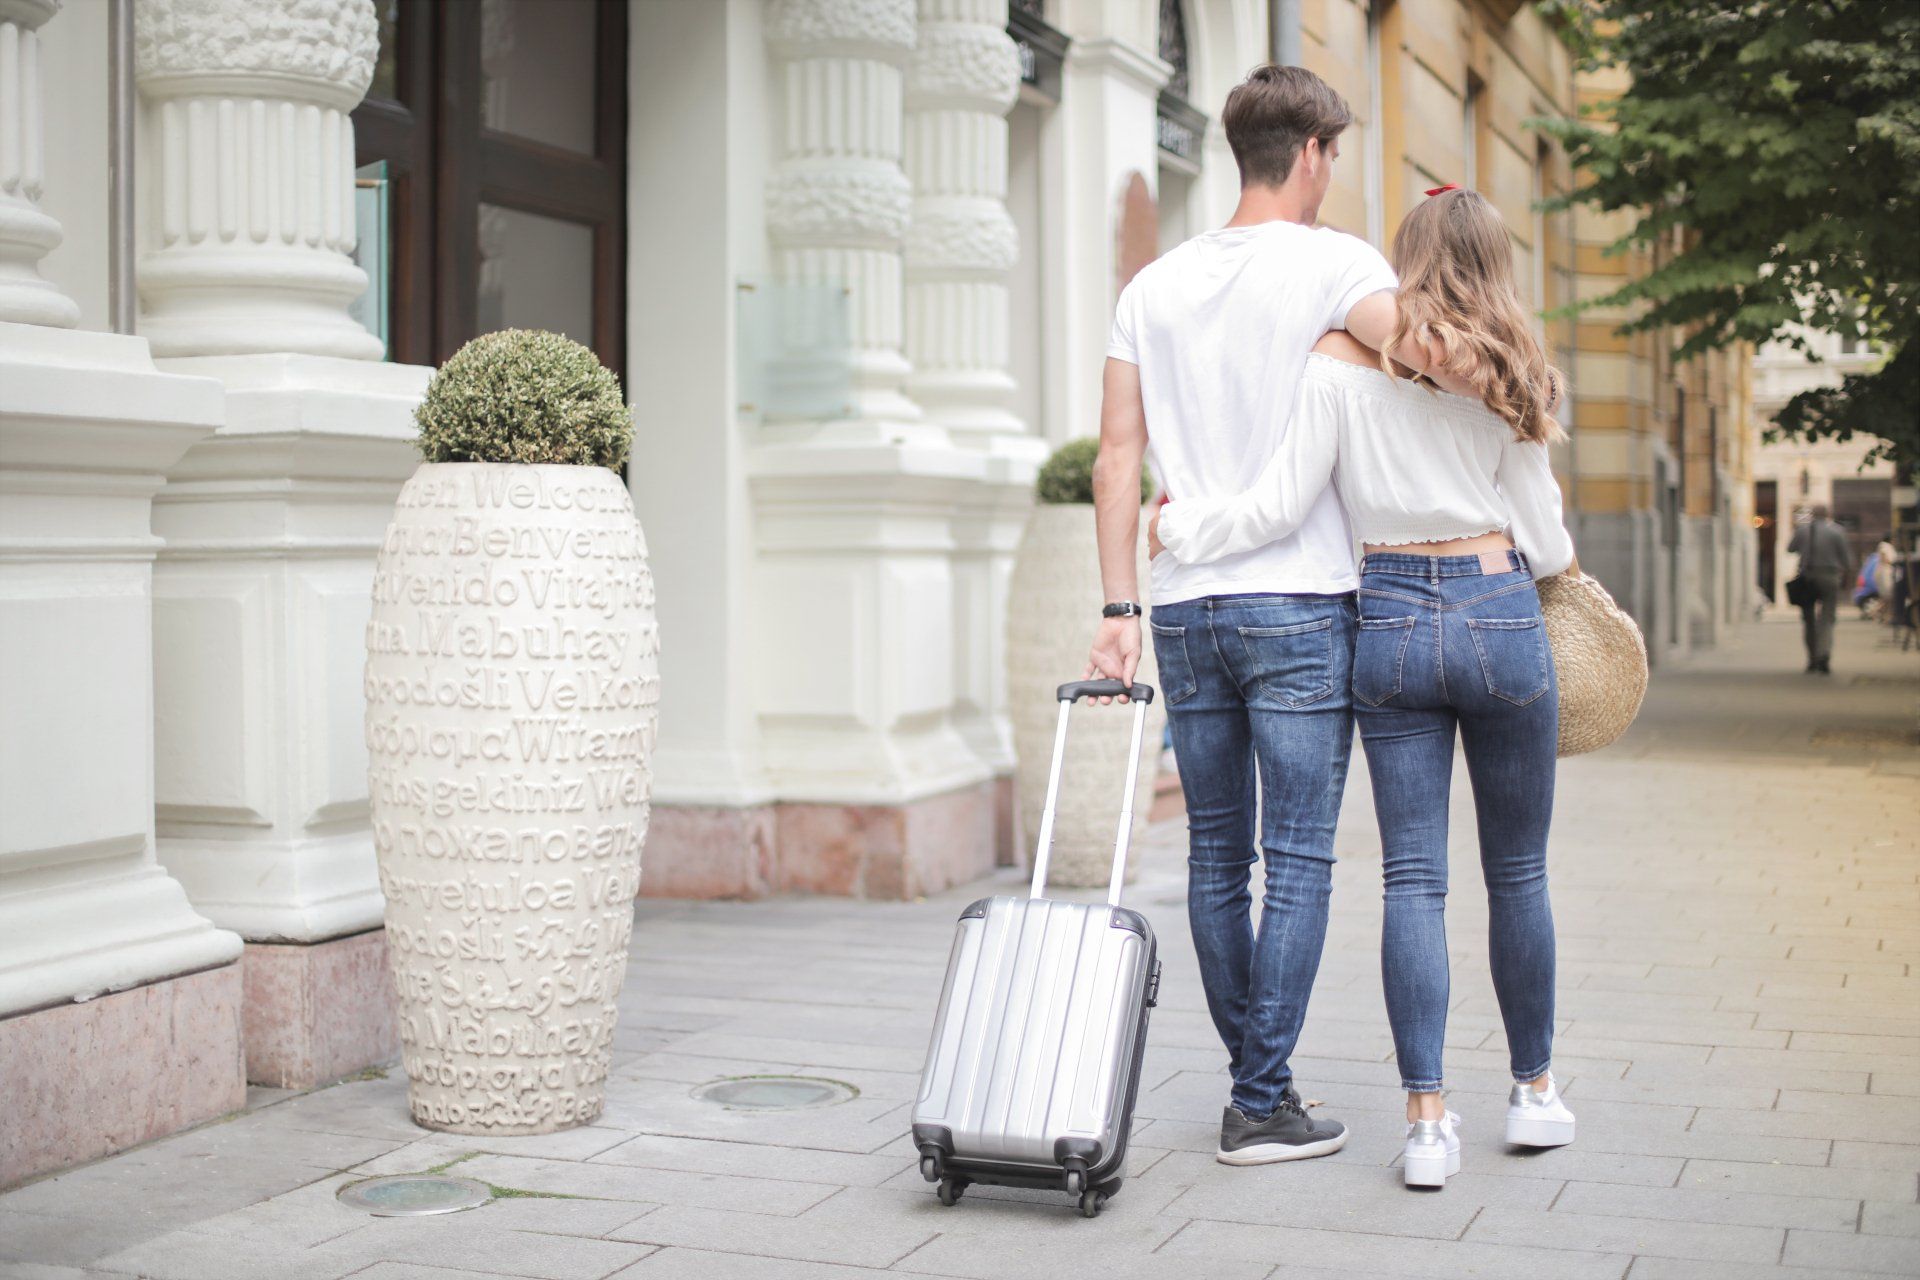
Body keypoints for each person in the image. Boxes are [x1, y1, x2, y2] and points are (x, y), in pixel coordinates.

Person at [1149, 186, 1581, 1190]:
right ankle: (1534, 1090)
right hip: (1497, 604)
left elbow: (1279, 505)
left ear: (1402, 261)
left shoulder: (1339, 365)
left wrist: (1180, 528)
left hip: (1385, 619)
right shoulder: (1512, 372)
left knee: (1412, 881)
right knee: (1519, 872)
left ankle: (1427, 1126)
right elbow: (1548, 538)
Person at [1085, 64, 1468, 1167]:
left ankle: (1261, 1084)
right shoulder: (1338, 264)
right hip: (1301, 599)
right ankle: (1260, 1101)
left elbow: (1119, 459)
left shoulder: (1150, 287)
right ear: (1310, 152)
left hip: (1190, 604)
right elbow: (1429, 355)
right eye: (1333, 154)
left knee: (1215, 856)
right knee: (1296, 857)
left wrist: (1119, 605)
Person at [1788, 505, 1852, 673]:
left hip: (1807, 577)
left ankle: (1812, 658)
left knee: (1808, 620)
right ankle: (1824, 654)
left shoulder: (1802, 530)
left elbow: (1790, 548)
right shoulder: (1837, 532)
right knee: (1827, 619)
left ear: (1812, 515)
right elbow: (1847, 560)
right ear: (1828, 515)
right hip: (1829, 577)